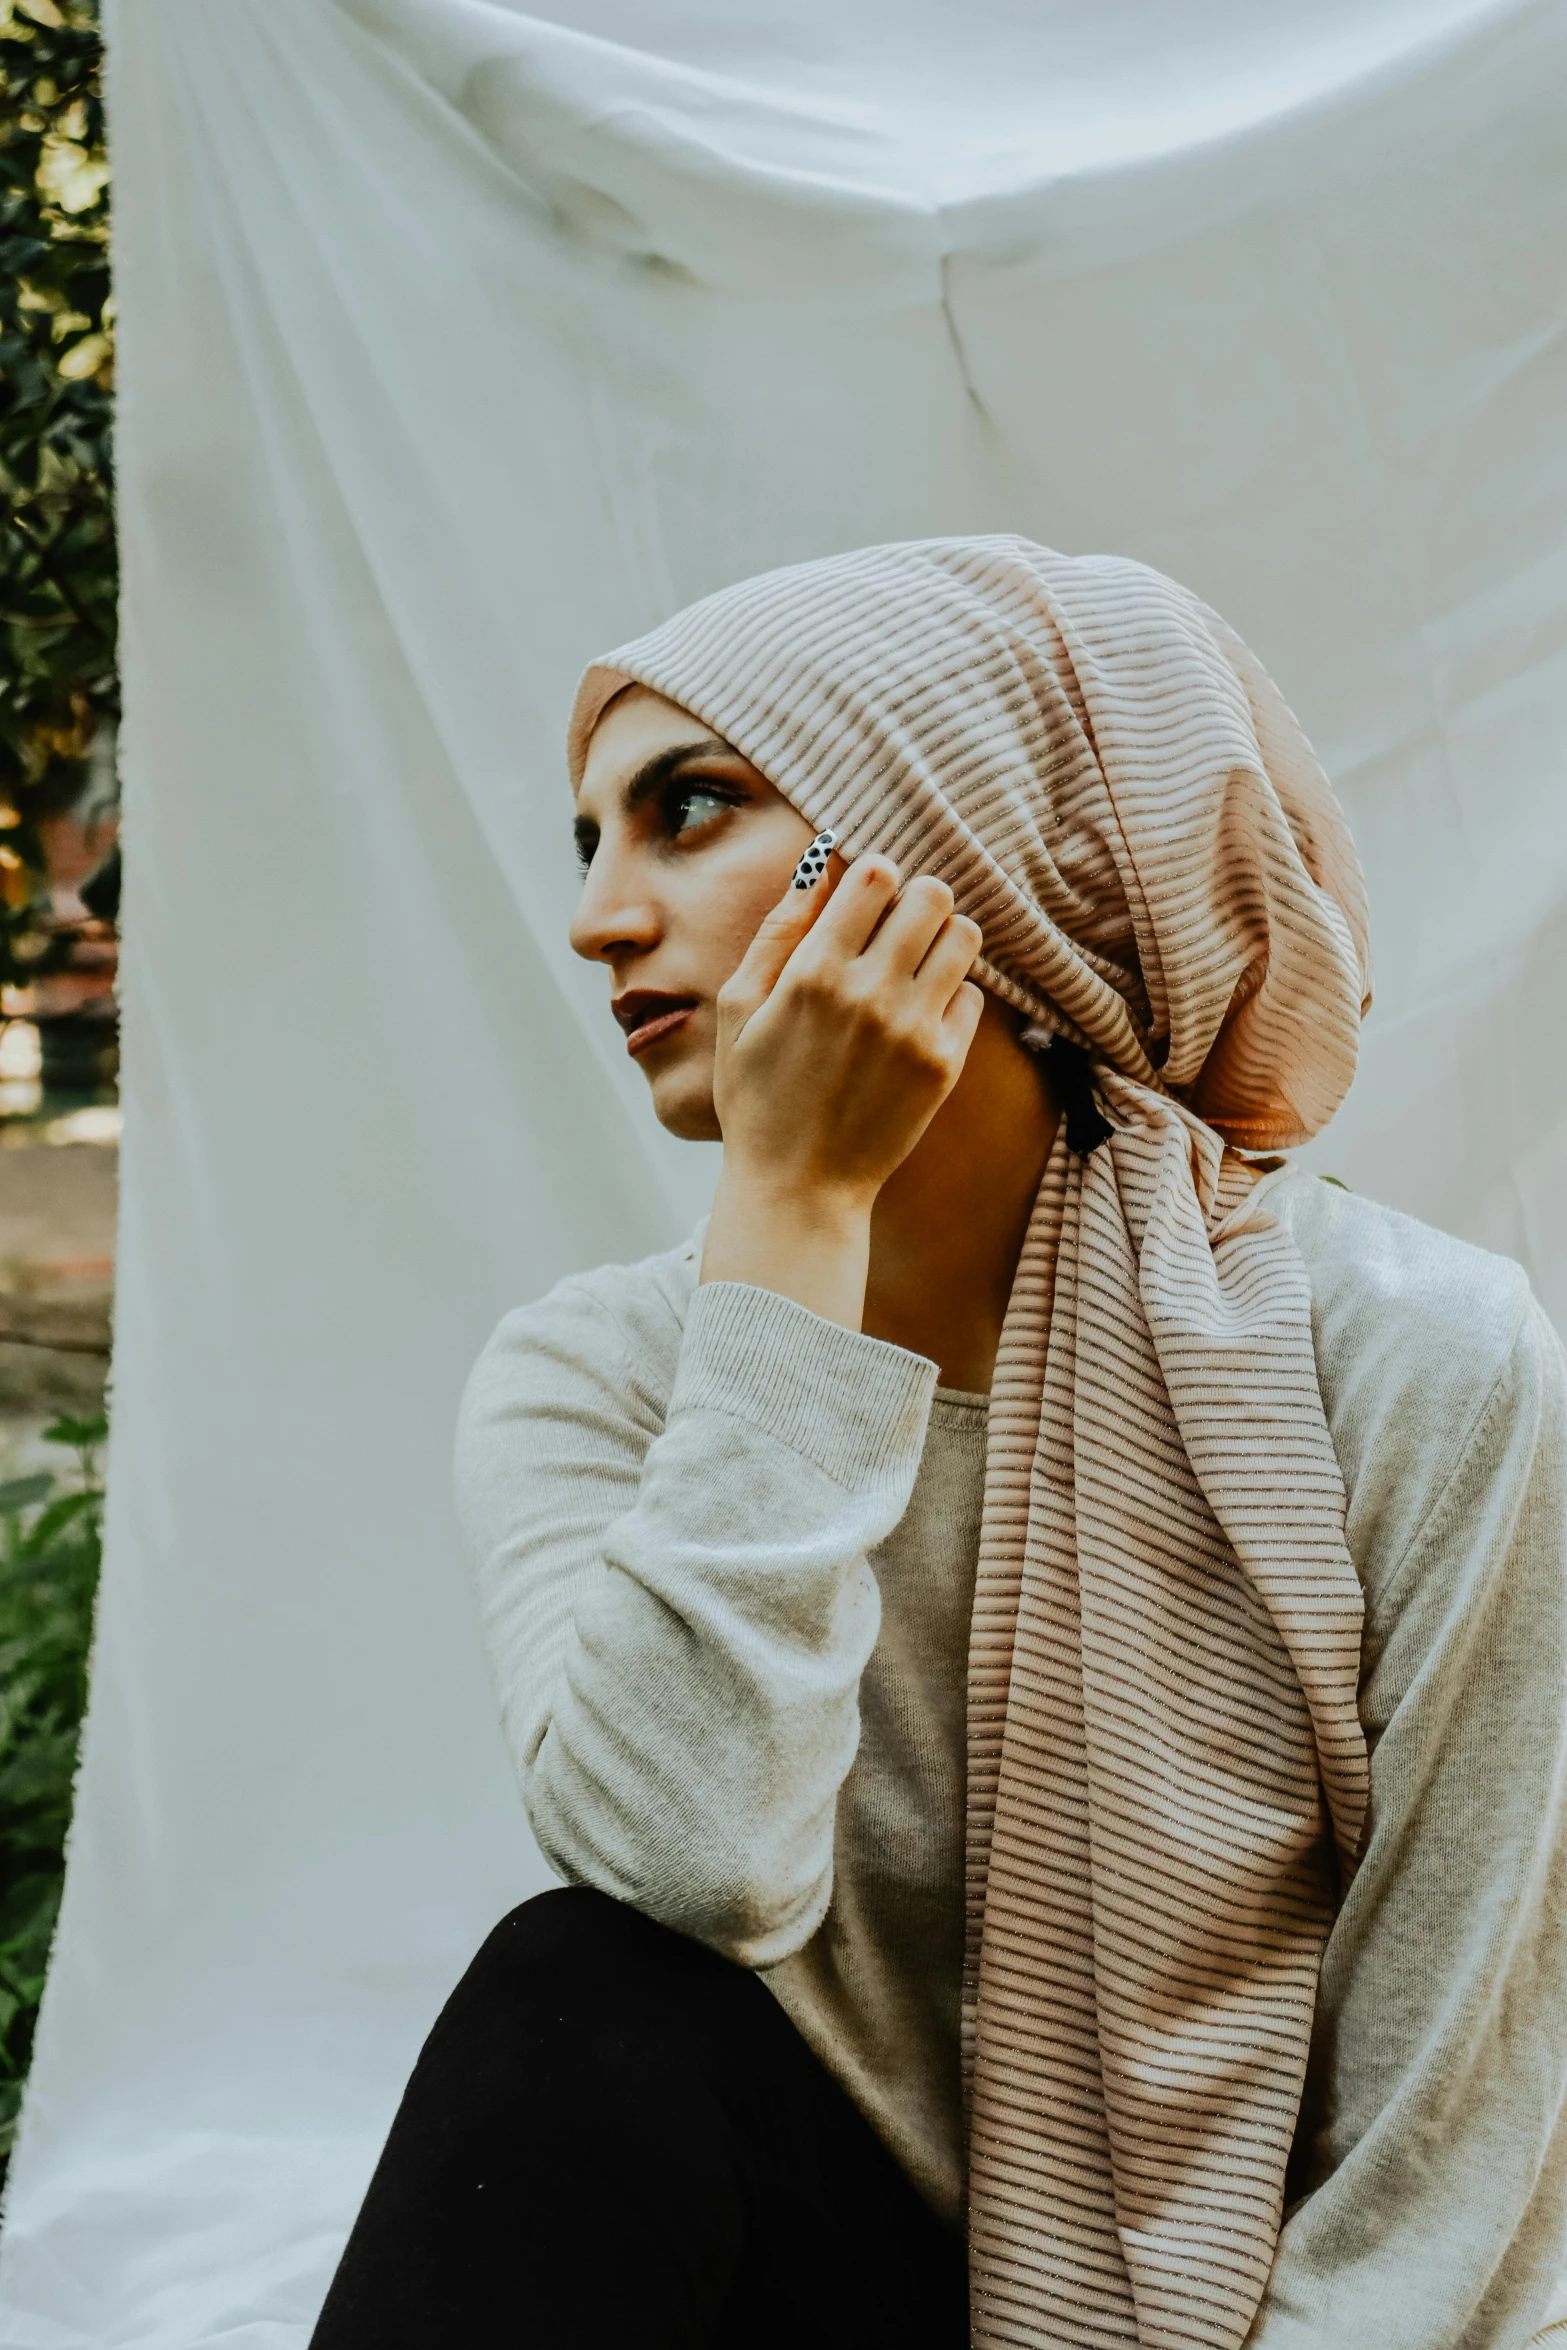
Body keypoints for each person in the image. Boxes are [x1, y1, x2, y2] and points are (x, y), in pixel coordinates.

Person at [310, 539, 1567, 2350]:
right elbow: (688, 1862)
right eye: (585, 841)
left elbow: (1457, 2137)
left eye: (689, 807)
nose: (597, 914)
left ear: (959, 845)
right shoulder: (592, 1374)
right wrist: (794, 1221)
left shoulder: (1415, 1365)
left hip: (1261, 2316)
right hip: (835, 2291)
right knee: (576, 1991)